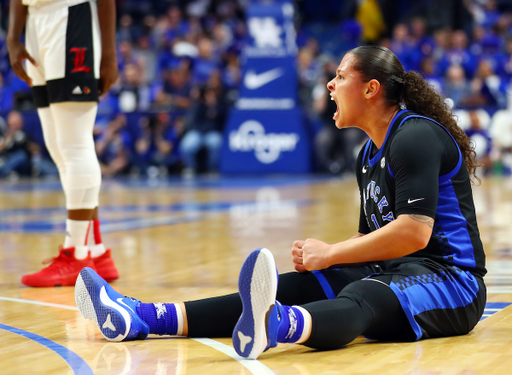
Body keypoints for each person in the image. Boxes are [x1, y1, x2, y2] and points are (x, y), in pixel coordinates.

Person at [75, 45, 486, 360]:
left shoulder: (414, 135)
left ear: (370, 89)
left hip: (453, 281)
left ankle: (278, 325)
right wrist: (326, 258)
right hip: (396, 268)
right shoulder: (367, 155)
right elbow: (373, 239)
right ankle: (147, 317)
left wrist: (331, 252)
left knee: (363, 294)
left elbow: (414, 232)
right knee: (300, 285)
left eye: (340, 77)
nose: (330, 85)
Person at [7, 0, 119, 286]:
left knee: (75, 144)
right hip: (36, 23)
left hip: (72, 17)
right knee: (58, 147)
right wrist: (13, 37)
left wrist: (109, 53)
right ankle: (95, 251)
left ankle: (78, 255)